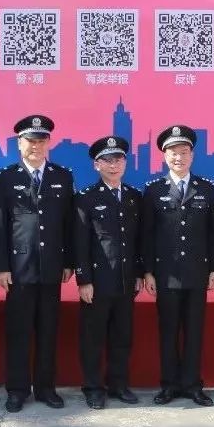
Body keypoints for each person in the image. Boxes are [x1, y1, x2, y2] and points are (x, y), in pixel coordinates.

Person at [0, 115, 74, 413]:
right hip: (18, 269)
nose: (35, 146)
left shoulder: (62, 176)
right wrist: (1, 266)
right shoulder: (5, 178)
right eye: (30, 141)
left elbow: (69, 224)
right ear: (19, 143)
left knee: (48, 331)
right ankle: (16, 390)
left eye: (41, 141)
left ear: (48, 143)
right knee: (19, 332)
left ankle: (46, 388)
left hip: (51, 267)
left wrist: (69, 261)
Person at [142, 125, 214, 407]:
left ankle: (192, 385)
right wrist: (148, 271)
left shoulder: (206, 188)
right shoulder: (153, 190)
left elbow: (213, 232)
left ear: (192, 155)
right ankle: (169, 385)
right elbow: (147, 235)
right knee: (168, 332)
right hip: (166, 275)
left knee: (194, 332)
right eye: (173, 153)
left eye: (184, 152)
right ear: (165, 156)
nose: (179, 157)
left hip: (197, 273)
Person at [74, 136, 143, 410]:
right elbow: (80, 242)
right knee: (93, 338)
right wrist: (84, 280)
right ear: (96, 165)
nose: (113, 165)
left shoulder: (134, 197)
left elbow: (139, 241)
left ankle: (118, 385)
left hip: (126, 281)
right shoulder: (86, 198)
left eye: (118, 159)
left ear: (125, 163)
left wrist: (139, 273)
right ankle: (93, 388)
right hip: (98, 282)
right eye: (107, 160)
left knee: (122, 336)